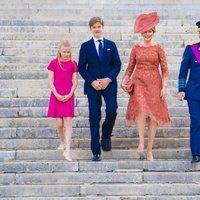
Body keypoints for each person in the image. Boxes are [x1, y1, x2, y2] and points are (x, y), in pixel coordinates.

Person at [121, 12, 170, 161]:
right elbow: (130, 67)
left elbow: (165, 69)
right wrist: (124, 80)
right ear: (141, 33)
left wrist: (165, 86)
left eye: (150, 31)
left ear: (153, 31)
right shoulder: (136, 48)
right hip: (139, 82)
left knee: (154, 117)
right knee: (141, 110)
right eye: (145, 31)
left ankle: (149, 150)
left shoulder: (158, 47)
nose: (147, 34)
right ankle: (141, 142)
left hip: (155, 83)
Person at [78, 16, 121, 161]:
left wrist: (109, 79)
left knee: (112, 110)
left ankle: (106, 134)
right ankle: (96, 151)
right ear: (91, 29)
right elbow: (81, 67)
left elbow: (117, 65)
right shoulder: (85, 46)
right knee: (94, 116)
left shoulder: (111, 45)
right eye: (94, 27)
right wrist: (92, 82)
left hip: (109, 84)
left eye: (99, 26)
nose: (97, 29)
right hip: (93, 86)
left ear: (103, 27)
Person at [47, 39, 78, 161]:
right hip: (56, 95)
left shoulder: (73, 63)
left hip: (68, 95)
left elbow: (75, 81)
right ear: (59, 51)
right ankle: (63, 141)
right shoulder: (54, 63)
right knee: (59, 124)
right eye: (64, 52)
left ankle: (68, 151)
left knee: (68, 122)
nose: (66, 54)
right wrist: (56, 94)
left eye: (68, 52)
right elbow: (50, 80)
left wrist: (70, 94)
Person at [177, 21, 200, 163]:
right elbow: (183, 72)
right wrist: (181, 89)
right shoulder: (191, 49)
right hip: (194, 92)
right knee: (196, 120)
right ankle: (196, 153)